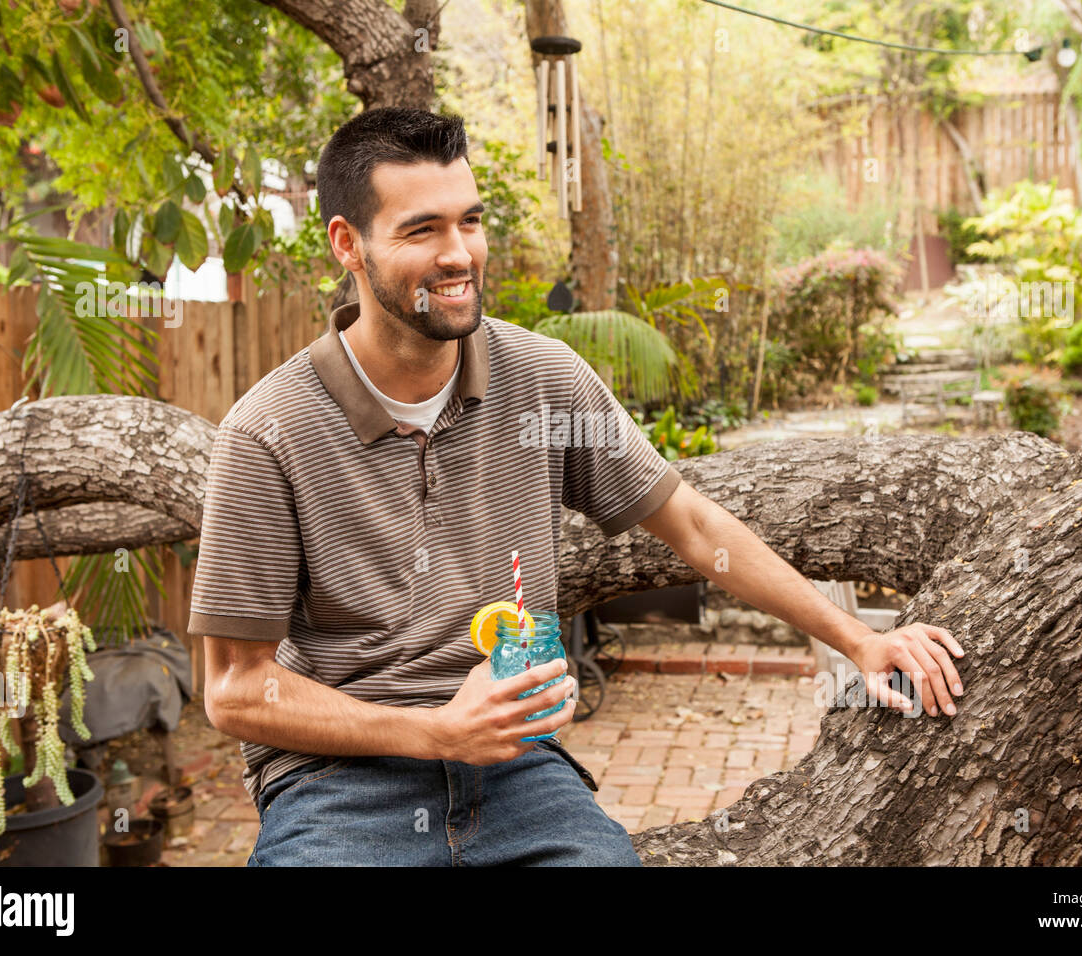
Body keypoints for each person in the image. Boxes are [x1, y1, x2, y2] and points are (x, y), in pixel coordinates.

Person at [189, 107, 965, 867]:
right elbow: (235, 691)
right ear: (347, 245)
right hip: (336, 785)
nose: (459, 253)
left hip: (515, 771)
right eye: (422, 229)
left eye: (471, 221)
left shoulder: (544, 381)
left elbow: (692, 524)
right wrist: (435, 732)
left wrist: (861, 639)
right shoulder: (269, 431)